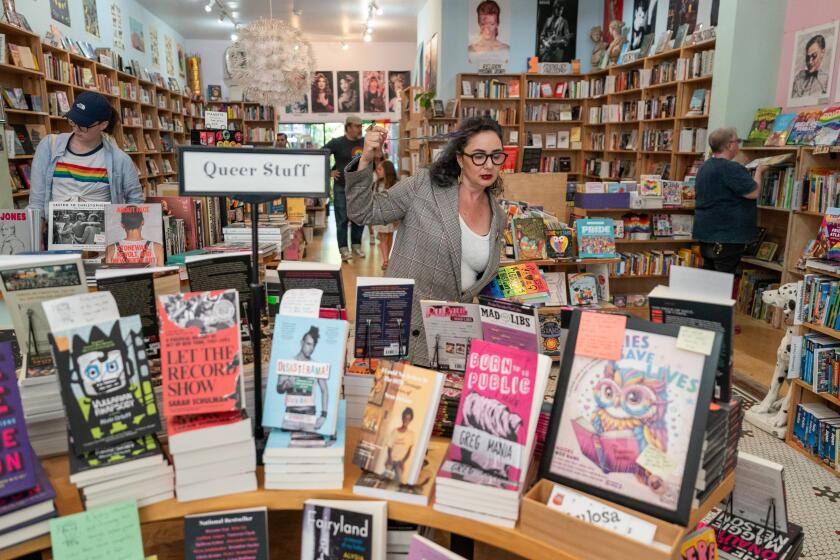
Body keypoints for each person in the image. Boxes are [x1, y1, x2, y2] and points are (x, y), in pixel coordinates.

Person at [346, 116, 507, 366]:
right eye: (478, 155)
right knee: (395, 404)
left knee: (443, 406)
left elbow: (476, 279)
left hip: (451, 338)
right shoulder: (424, 186)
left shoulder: (499, 216)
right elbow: (363, 212)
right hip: (400, 328)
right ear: (459, 158)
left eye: (496, 156)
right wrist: (366, 158)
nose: (488, 165)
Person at [28, 91, 144, 215]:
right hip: (54, 231)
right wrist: (38, 231)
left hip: (103, 232)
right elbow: (36, 201)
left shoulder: (120, 160)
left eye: (84, 125)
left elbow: (136, 201)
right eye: (73, 121)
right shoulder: (49, 146)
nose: (76, 129)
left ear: (103, 125)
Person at [693, 127, 767, 274]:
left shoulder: (705, 167)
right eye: (737, 141)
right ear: (729, 145)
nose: (738, 144)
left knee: (710, 280)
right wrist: (759, 172)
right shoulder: (730, 168)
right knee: (722, 283)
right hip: (726, 237)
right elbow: (753, 192)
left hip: (706, 233)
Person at [324, 115, 366, 262]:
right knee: (341, 219)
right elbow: (319, 154)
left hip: (360, 187)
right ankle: (343, 249)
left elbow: (376, 157)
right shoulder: (337, 143)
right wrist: (328, 171)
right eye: (357, 126)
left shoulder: (365, 142)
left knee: (359, 218)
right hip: (341, 187)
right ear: (348, 127)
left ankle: (356, 245)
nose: (360, 129)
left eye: (361, 126)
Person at [276, 326, 330, 431]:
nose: (311, 348)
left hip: (309, 415)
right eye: (308, 344)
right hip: (290, 416)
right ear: (302, 343)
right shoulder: (288, 363)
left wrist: (324, 415)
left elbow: (325, 390)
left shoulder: (317, 366)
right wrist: (286, 385)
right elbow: (279, 389)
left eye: (313, 345)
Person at [373, 159, 398, 270]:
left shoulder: (396, 184)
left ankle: (387, 258)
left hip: (392, 215)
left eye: (380, 169)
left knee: (389, 236)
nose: (378, 171)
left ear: (386, 170)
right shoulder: (377, 183)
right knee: (383, 237)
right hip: (380, 215)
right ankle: (386, 260)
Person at [792, 34, 829, 99]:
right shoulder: (799, 77)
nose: (810, 61)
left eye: (814, 55)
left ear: (822, 52)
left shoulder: (826, 79)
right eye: (808, 57)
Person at [385, 407, 416, 484]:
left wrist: (403, 461)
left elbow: (409, 451)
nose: (406, 420)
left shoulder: (411, 434)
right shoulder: (395, 431)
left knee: (398, 483)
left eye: (408, 419)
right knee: (385, 480)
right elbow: (389, 446)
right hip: (391, 460)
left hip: (400, 463)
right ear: (402, 417)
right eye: (405, 418)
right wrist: (389, 458)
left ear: (410, 420)